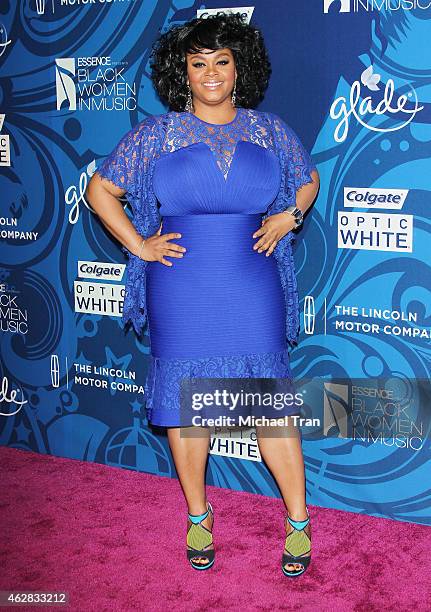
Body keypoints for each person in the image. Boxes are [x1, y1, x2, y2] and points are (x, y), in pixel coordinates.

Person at [86, 13, 319, 577]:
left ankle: (298, 521)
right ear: (182, 73)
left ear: (240, 69)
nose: (210, 73)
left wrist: (290, 216)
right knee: (190, 412)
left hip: (251, 280)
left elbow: (307, 178)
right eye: (198, 64)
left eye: (221, 61)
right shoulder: (154, 135)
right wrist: (139, 245)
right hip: (182, 286)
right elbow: (99, 189)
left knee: (270, 409)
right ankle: (197, 515)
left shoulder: (269, 130)